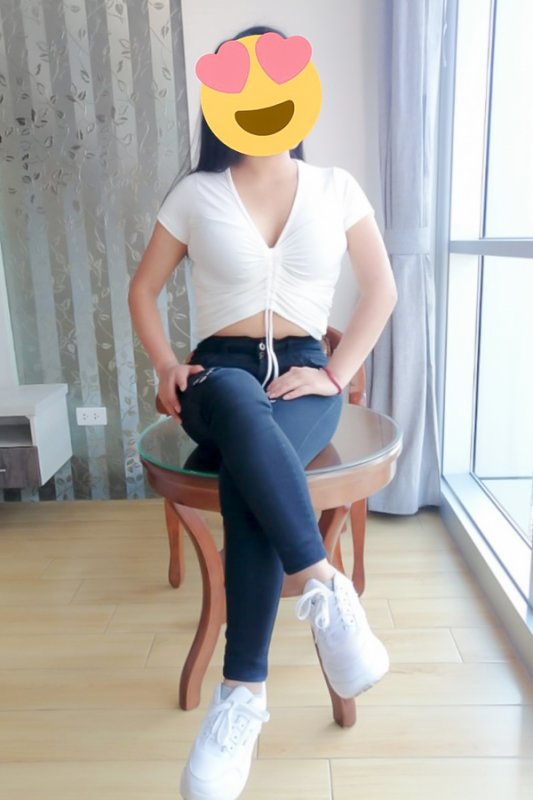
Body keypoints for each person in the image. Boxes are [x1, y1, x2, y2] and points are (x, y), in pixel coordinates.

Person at [128, 24, 397, 800]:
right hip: (217, 377)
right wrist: (166, 364)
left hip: (306, 376)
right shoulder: (196, 193)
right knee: (240, 402)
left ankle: (241, 694)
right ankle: (324, 587)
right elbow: (143, 289)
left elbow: (380, 289)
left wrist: (334, 373)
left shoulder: (336, 188)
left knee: (253, 481)